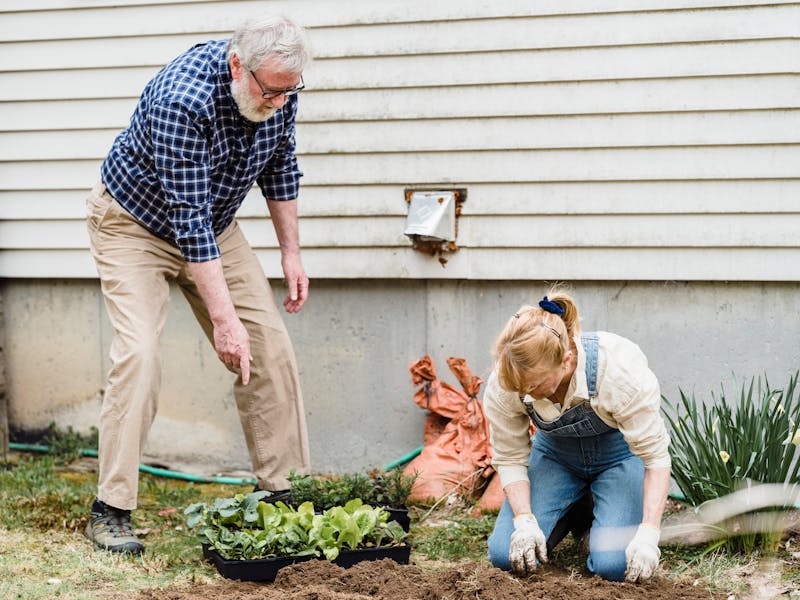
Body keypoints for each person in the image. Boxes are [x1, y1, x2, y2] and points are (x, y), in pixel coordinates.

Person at [84, 15, 313, 554]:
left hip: (215, 224)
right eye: (271, 91)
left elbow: (281, 165)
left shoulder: (279, 86)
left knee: (270, 349)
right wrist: (224, 322)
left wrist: (291, 253)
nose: (281, 102)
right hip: (134, 224)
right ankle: (110, 509)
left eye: (290, 91)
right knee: (140, 354)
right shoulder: (182, 100)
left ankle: (282, 495)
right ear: (238, 66)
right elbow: (188, 222)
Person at [484, 291, 672, 582]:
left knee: (615, 565)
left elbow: (656, 459)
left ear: (566, 361)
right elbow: (510, 457)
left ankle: (595, 509)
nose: (525, 394)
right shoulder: (511, 378)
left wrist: (648, 534)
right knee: (505, 556)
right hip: (555, 456)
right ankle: (572, 509)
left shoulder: (618, 370)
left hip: (619, 456)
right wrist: (524, 521)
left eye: (535, 385)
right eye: (520, 388)